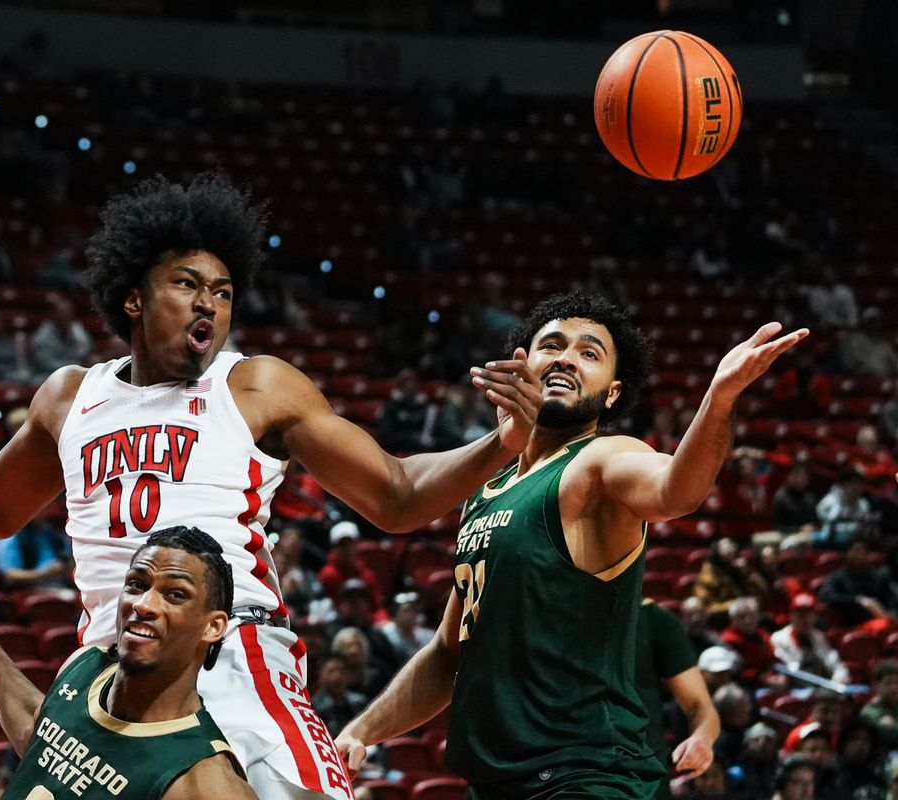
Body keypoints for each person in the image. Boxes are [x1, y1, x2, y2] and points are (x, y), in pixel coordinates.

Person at [0, 172, 544, 800]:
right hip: (115, 663)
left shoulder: (256, 388)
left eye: (223, 289)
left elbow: (398, 495)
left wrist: (499, 444)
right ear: (135, 298)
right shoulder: (69, 395)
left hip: (232, 650)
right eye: (187, 283)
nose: (210, 300)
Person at [335, 291, 806, 798]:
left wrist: (718, 400)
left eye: (590, 352)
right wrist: (362, 731)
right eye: (552, 345)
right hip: (495, 781)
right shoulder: (484, 492)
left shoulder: (601, 458)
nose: (566, 357)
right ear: (522, 367)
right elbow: (449, 651)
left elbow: (675, 491)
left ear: (612, 394)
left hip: (584, 774)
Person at [0, 526, 256, 800]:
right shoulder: (84, 665)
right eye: (137, 584)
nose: (144, 604)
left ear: (213, 626)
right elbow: (43, 731)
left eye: (175, 594)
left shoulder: (206, 780)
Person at [634, 598, 719, 798]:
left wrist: (702, 737)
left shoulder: (653, 619)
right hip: (565, 770)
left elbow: (701, 707)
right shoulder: (551, 609)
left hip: (641, 777)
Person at [770, 593, 850, 685]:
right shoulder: (779, 638)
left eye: (807, 613)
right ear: (791, 615)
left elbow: (834, 662)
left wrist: (840, 678)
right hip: (795, 687)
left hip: (822, 686)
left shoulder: (819, 637)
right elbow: (787, 668)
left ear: (814, 616)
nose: (804, 619)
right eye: (799, 614)